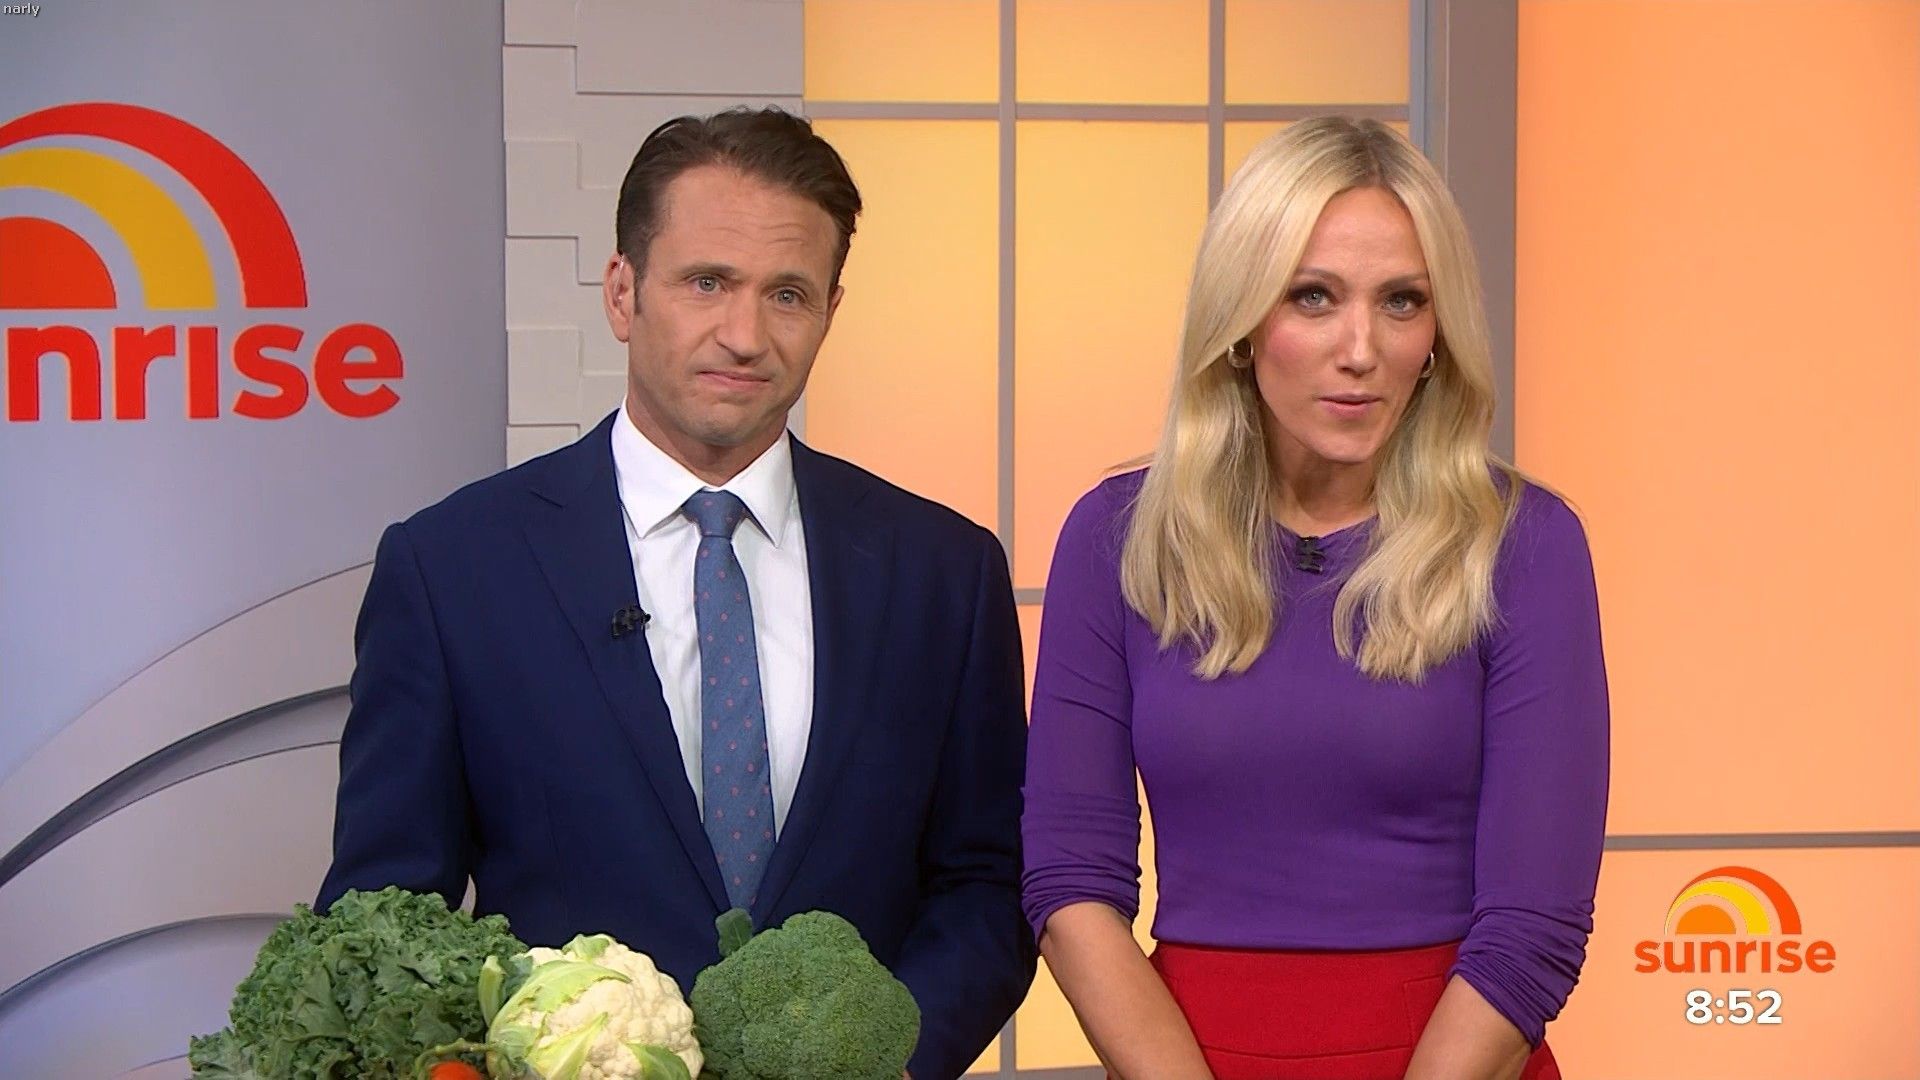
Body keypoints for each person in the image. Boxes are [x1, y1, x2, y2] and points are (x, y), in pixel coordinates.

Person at [319, 107, 1034, 1080]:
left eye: (788, 294)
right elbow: (384, 921)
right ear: (623, 293)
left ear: (831, 311)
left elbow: (988, 884)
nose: (744, 335)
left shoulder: (943, 572)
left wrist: (894, 1060)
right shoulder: (452, 569)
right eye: (707, 283)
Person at [1021, 117, 1608, 1080]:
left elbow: (1534, 923)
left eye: (1402, 301)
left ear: (1437, 337)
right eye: (1313, 296)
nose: (1360, 348)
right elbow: (1070, 881)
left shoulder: (1526, 544)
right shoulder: (1116, 536)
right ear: (1243, 323)